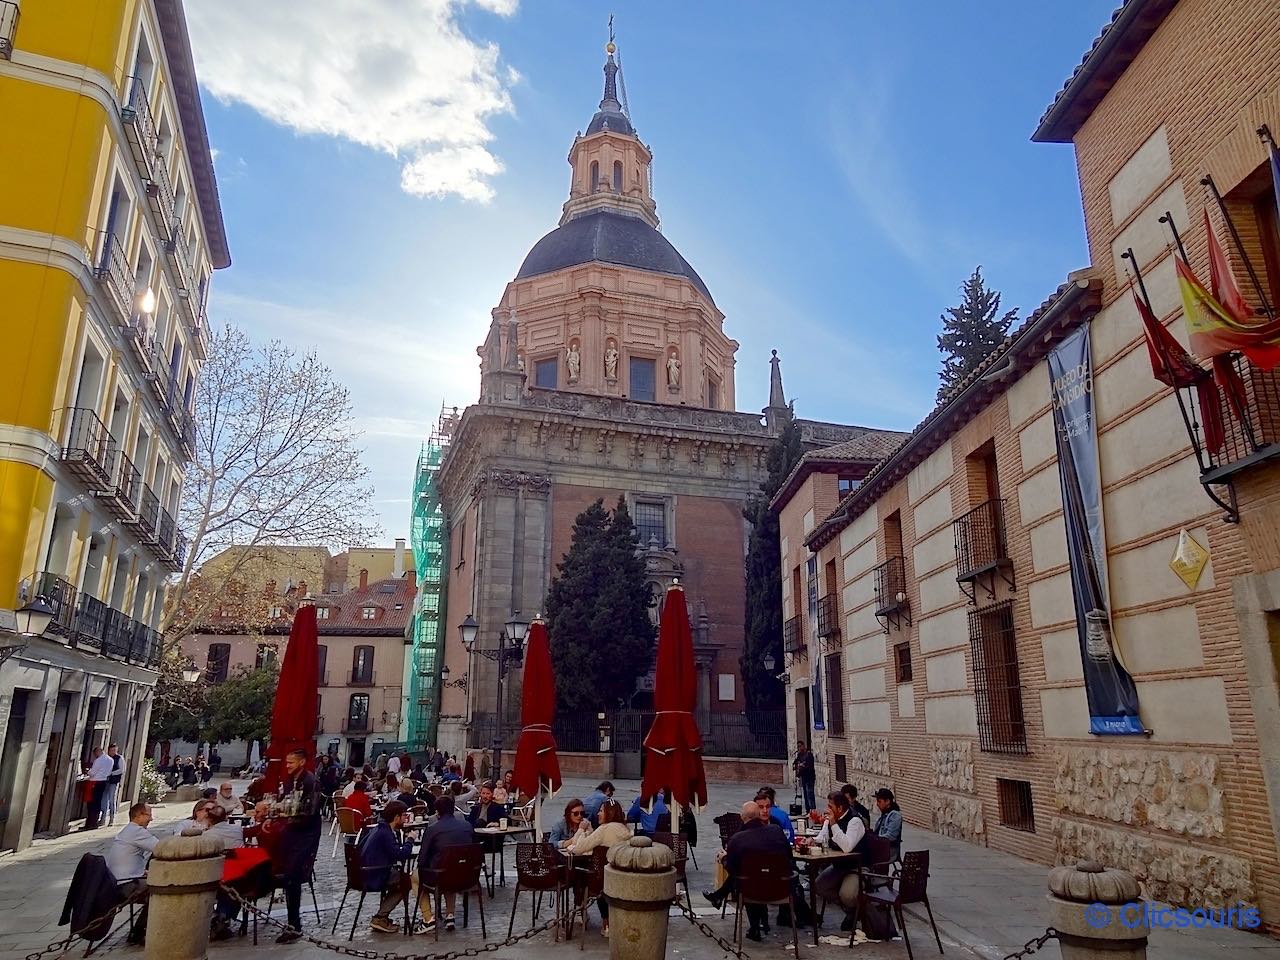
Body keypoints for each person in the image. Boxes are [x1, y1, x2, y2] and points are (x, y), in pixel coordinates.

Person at [702, 802, 794, 941]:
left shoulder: (737, 839)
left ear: (742, 817)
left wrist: (724, 858)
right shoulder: (776, 831)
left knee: (746, 877)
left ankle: (754, 927)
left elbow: (732, 869)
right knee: (752, 875)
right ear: (759, 816)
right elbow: (789, 855)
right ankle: (719, 896)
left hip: (752, 891)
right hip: (780, 888)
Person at [360, 800, 431, 934]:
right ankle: (380, 917)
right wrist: (410, 839)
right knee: (407, 881)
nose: (406, 818)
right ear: (396, 817)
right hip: (375, 874)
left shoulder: (379, 828)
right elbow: (400, 855)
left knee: (403, 879)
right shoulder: (386, 833)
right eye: (404, 815)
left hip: (366, 872)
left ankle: (382, 916)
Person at [274, 748, 322, 943]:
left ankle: (294, 924)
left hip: (306, 835)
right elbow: (282, 802)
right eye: (286, 763)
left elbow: (310, 811)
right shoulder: (289, 781)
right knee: (285, 876)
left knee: (293, 876)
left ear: (302, 762)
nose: (287, 766)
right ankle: (292, 921)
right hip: (291, 833)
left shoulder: (311, 782)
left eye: (291, 762)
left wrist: (287, 813)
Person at [568, 798, 630, 937]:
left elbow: (579, 848)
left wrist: (582, 831)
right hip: (622, 879)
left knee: (580, 877)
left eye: (601, 811)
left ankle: (596, 918)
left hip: (601, 881)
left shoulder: (604, 830)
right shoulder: (626, 830)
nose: (598, 814)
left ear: (609, 813)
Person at [812, 791, 869, 931]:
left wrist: (833, 823)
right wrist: (812, 841)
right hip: (839, 865)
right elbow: (823, 837)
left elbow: (847, 847)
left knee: (848, 895)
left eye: (830, 807)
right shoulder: (830, 820)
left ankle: (856, 911)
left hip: (856, 867)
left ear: (840, 808)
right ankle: (851, 912)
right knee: (819, 886)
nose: (828, 810)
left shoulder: (855, 821)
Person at [417, 795, 474, 933]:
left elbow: (422, 859)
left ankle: (428, 917)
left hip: (440, 876)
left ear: (437, 812)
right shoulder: (467, 826)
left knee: (415, 877)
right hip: (465, 876)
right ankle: (450, 915)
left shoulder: (432, 829)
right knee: (451, 869)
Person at [104, 802, 158, 944]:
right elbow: (161, 848)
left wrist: (142, 871)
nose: (151, 819)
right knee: (162, 891)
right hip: (126, 885)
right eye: (149, 815)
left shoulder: (127, 831)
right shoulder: (136, 831)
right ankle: (140, 931)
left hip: (118, 882)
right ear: (139, 815)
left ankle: (140, 930)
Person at [83, 746, 114, 830]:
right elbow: (109, 772)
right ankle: (94, 822)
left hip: (95, 782)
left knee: (91, 803)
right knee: (98, 803)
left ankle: (90, 823)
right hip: (103, 781)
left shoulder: (98, 760)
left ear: (97, 752)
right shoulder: (110, 760)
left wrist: (87, 771)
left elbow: (92, 772)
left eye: (95, 754)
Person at [872, 788, 903, 862]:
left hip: (890, 850)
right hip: (880, 847)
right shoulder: (884, 815)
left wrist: (875, 839)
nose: (877, 804)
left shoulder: (895, 815)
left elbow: (891, 836)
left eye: (879, 801)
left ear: (888, 801)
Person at [103, 743, 125, 827]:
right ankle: (103, 818)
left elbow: (121, 769)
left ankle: (112, 818)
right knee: (104, 799)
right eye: (111, 750)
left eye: (114, 750)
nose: (113, 752)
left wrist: (111, 773)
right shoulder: (107, 758)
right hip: (105, 781)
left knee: (112, 799)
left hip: (114, 781)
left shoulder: (119, 758)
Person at [793, 741, 816, 813]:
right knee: (805, 794)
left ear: (803, 746)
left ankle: (813, 809)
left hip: (809, 777)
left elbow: (810, 766)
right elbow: (796, 762)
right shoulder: (800, 755)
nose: (799, 748)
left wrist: (803, 766)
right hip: (803, 777)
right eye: (798, 746)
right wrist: (796, 766)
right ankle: (808, 810)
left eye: (800, 746)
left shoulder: (809, 755)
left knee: (810, 793)